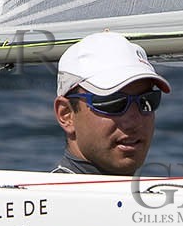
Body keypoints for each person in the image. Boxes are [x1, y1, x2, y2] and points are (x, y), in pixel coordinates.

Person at [51, 31, 170, 175]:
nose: (133, 122)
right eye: (113, 103)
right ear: (66, 115)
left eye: (147, 101)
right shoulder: (44, 196)